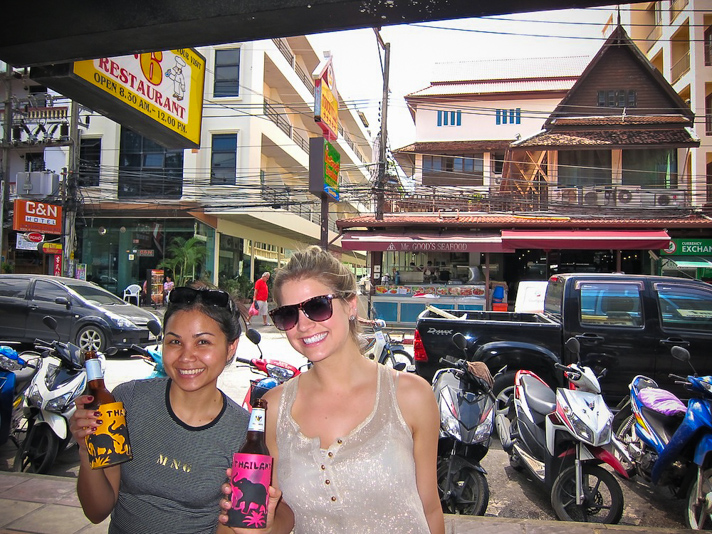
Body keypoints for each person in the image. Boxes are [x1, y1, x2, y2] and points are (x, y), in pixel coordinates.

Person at [220, 246, 444, 534]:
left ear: (350, 305)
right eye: (288, 315)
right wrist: (258, 521)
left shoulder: (411, 396)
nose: (303, 325)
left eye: (317, 306)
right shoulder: (273, 408)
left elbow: (430, 509)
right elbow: (280, 514)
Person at [69, 286, 250, 534]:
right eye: (175, 341)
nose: (186, 357)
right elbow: (96, 511)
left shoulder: (243, 434)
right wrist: (85, 450)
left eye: (203, 342)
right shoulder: (127, 401)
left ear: (231, 347)